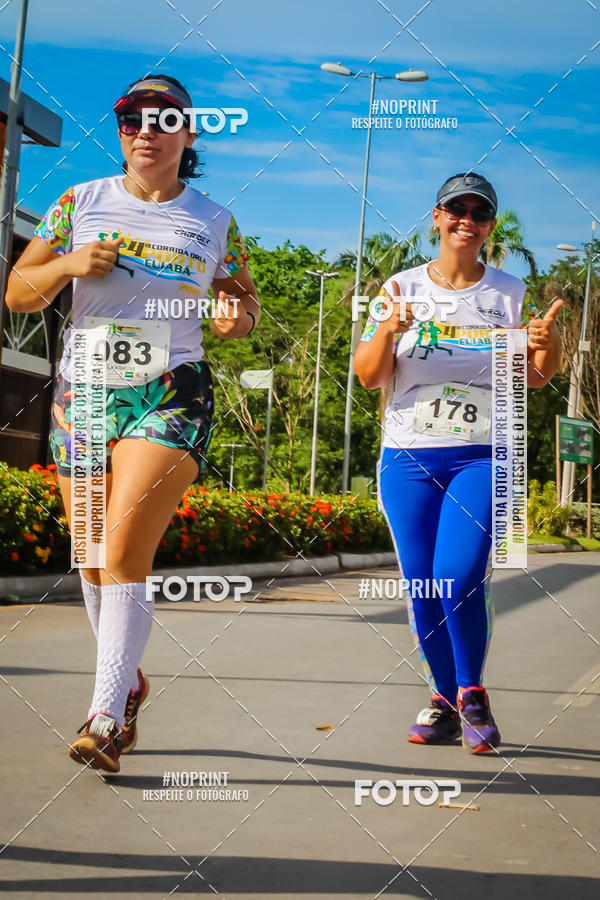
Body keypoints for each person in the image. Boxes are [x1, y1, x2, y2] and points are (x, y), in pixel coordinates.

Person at [5, 75, 260, 772]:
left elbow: (243, 302)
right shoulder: (79, 202)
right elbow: (19, 293)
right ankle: (128, 682)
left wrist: (237, 318)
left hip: (170, 392)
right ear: (120, 131)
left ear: (189, 132)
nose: (145, 130)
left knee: (121, 549)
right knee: (91, 555)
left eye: (163, 118)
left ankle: (105, 717)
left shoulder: (214, 220)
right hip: (85, 393)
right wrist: (67, 262)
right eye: (131, 119)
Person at [354, 172, 561, 753]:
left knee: (461, 573)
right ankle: (444, 702)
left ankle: (472, 694)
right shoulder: (399, 288)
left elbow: (536, 376)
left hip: (485, 455)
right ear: (437, 217)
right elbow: (369, 376)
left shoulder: (511, 293)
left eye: (479, 212)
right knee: (423, 583)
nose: (467, 220)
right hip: (409, 457)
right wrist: (387, 330)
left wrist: (548, 345)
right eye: (456, 209)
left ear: (490, 226)